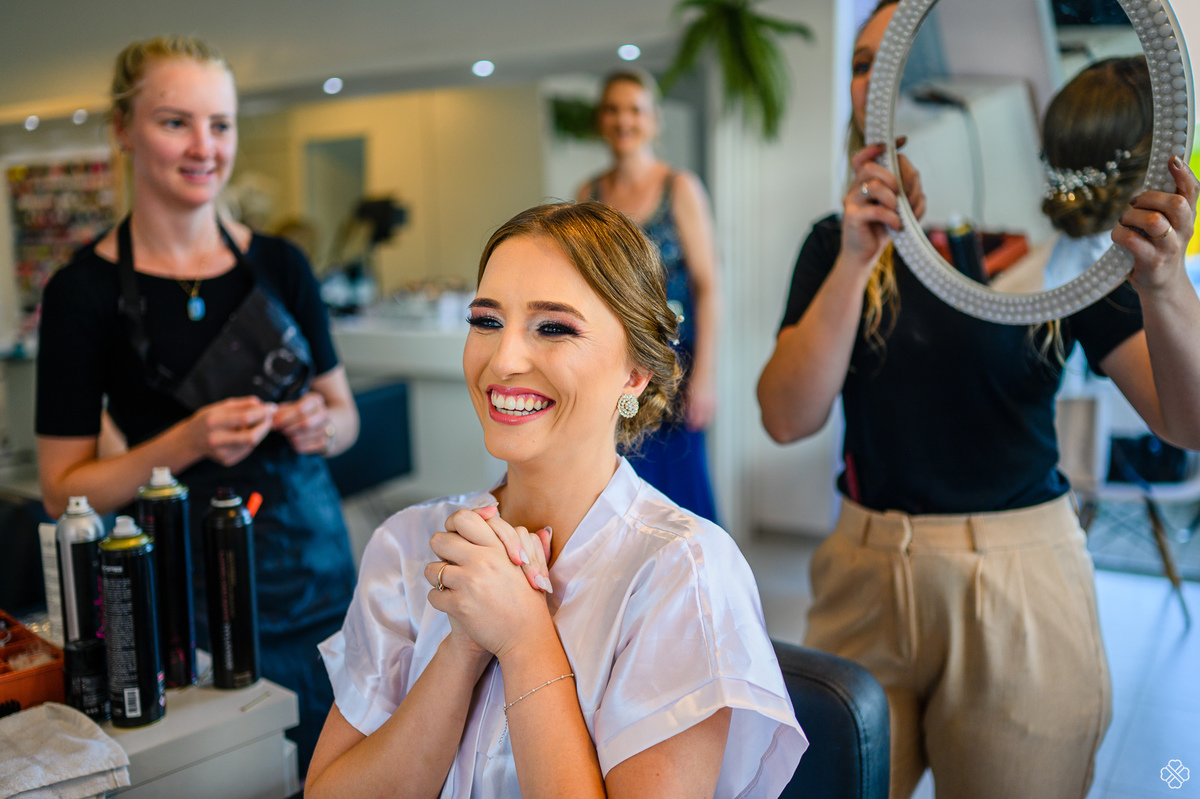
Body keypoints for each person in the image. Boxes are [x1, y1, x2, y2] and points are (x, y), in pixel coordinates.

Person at [756, 2, 1200, 797]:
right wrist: (858, 260)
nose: (872, 78)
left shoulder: (1062, 250)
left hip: (1021, 581)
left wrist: (1165, 286)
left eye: (889, 57)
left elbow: (1189, 423)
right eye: (860, 63)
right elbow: (787, 417)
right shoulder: (834, 245)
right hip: (861, 575)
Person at [306, 202, 805, 798]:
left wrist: (523, 639)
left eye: (554, 328)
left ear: (634, 374)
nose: (503, 360)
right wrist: (462, 645)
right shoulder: (409, 544)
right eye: (486, 321)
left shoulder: (683, 573)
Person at [34, 36, 359, 773]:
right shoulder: (81, 293)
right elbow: (62, 488)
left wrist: (319, 421)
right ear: (122, 129)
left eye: (221, 124)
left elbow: (346, 418)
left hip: (313, 566)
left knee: (342, 766)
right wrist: (185, 439)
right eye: (175, 122)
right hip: (183, 595)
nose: (204, 146)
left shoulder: (281, 263)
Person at [576, 69, 721, 523]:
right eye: (613, 109)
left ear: (654, 121)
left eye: (635, 109)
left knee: (681, 491)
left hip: (673, 366)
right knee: (618, 480)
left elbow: (708, 284)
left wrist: (707, 377)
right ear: (602, 120)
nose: (624, 120)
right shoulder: (588, 194)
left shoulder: (680, 188)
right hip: (612, 365)